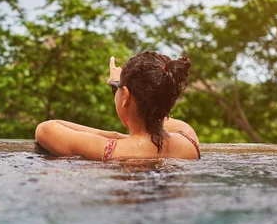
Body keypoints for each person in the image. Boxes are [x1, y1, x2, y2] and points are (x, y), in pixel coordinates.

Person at [35, 51, 200, 161]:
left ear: (125, 96)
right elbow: (155, 109)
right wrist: (121, 88)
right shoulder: (188, 139)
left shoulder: (111, 150)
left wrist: (115, 136)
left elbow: (46, 129)